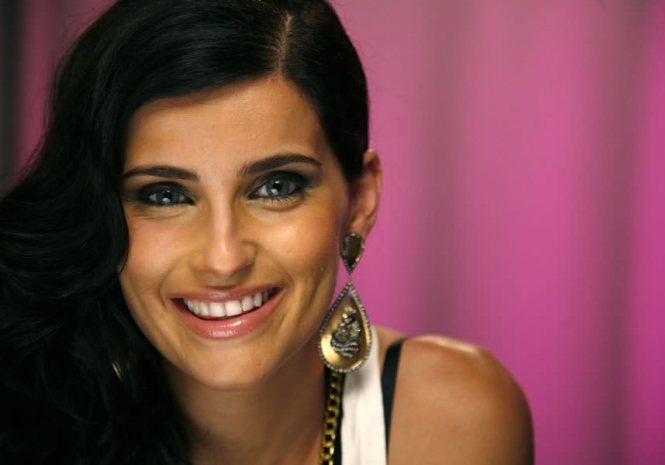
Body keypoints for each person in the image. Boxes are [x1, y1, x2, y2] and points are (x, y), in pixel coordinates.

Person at [0, 0, 533, 463]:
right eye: (165, 195)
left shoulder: (450, 417)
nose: (223, 258)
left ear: (360, 200)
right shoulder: (24, 420)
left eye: (276, 187)